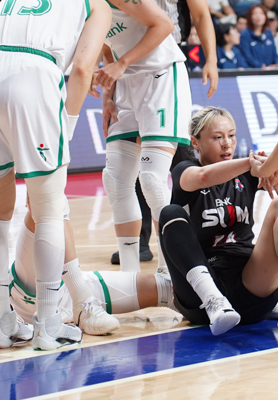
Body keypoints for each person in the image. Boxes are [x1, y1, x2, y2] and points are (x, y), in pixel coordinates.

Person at [0, 0, 111, 350]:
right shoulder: (98, 4)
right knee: (49, 212)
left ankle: (0, 323)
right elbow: (82, 69)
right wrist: (65, 130)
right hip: (30, 72)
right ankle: (48, 323)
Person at [158, 107, 278, 336]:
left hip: (249, 286)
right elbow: (204, 177)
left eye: (231, 135)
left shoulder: (246, 173)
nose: (227, 144)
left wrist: (269, 164)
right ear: (195, 142)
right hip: (201, 298)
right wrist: (253, 163)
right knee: (170, 213)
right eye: (217, 137)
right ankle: (214, 301)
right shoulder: (184, 170)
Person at [94, 0, 191, 274]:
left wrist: (121, 64)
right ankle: (129, 275)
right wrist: (107, 95)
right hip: (126, 84)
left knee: (151, 180)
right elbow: (106, 47)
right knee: (115, 180)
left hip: (160, 77)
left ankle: (169, 271)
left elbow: (165, 25)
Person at [0, 214, 176, 329]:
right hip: (20, 298)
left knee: (168, 290)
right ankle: (82, 301)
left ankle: (82, 301)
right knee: (44, 199)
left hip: (57, 279)